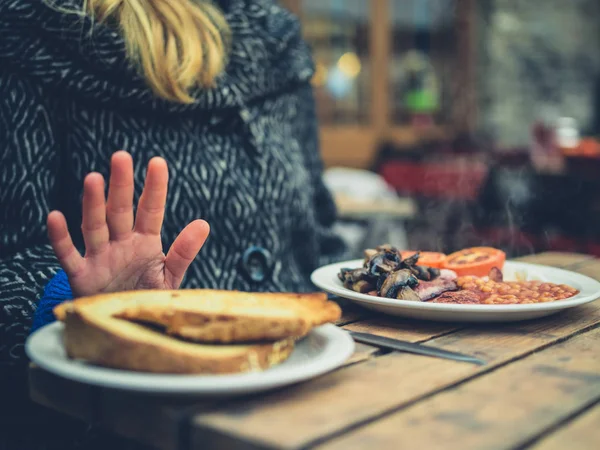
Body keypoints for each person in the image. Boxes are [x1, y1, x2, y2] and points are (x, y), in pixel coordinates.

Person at [0, 0, 346, 447]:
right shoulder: (35, 29)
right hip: (131, 423)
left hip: (314, 402)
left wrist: (380, 289)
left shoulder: (276, 38)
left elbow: (318, 236)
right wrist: (97, 311)